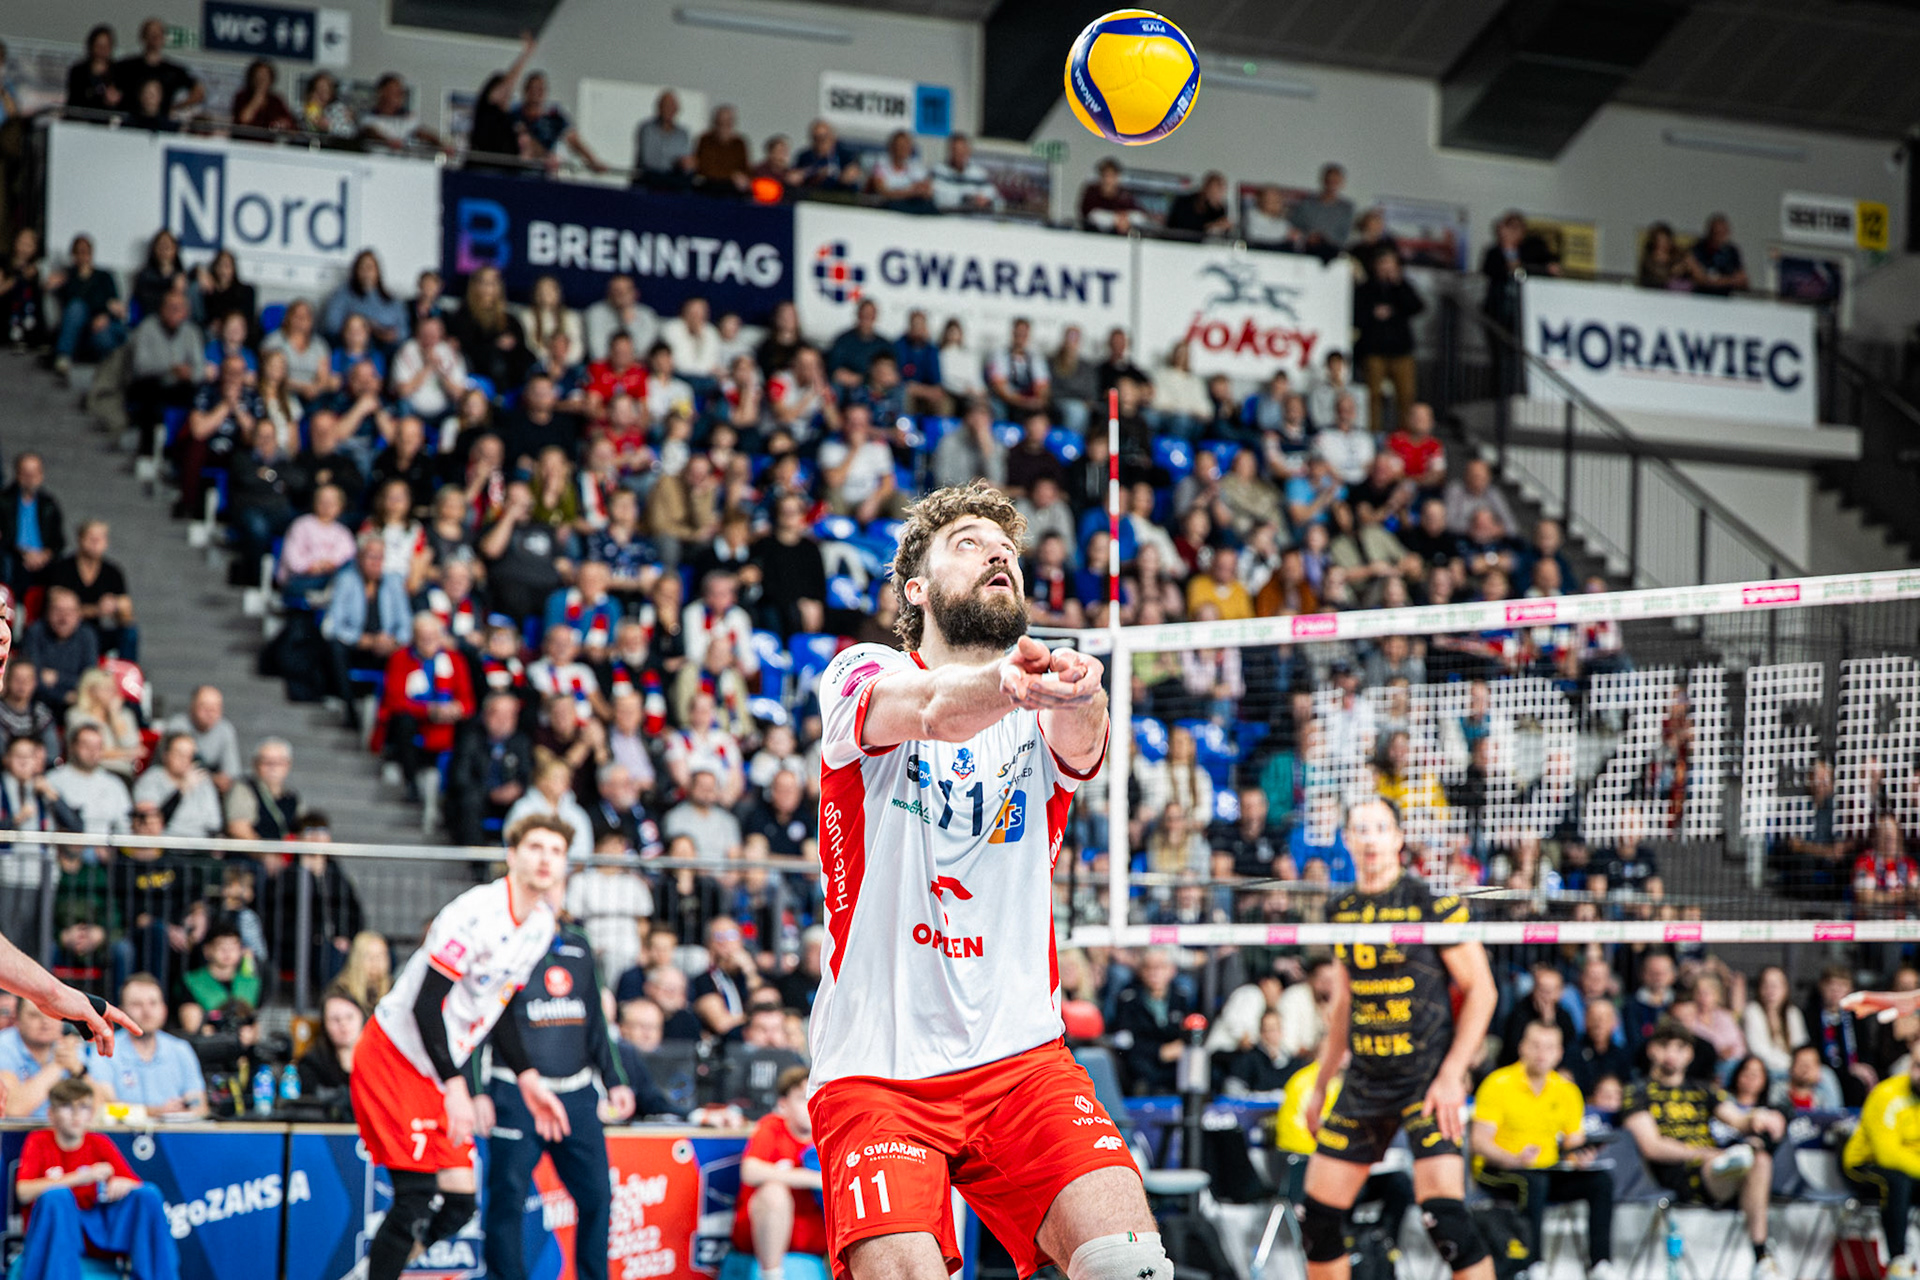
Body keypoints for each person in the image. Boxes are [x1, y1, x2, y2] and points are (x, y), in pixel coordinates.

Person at [808, 482, 1166, 1280]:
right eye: (968, 543)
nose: (999, 554)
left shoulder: (1038, 704)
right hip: (877, 1071)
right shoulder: (861, 671)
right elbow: (932, 706)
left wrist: (1081, 690)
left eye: (1006, 547)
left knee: (1131, 1264)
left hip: (1021, 1061)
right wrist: (1013, 683)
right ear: (917, 588)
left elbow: (1083, 738)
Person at [351, 815, 573, 1280]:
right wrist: (457, 1085)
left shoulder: (541, 925)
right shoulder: (473, 914)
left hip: (438, 1065)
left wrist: (529, 1079)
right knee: (415, 1197)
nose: (545, 859)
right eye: (535, 847)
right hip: (395, 1054)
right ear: (512, 856)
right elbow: (426, 1005)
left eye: (556, 851)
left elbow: (499, 1008)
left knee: (459, 1204)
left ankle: (374, 1272)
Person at [1301, 796, 1498, 1280]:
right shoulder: (1340, 909)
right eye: (1361, 829)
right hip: (1366, 1079)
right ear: (1347, 840)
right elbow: (1343, 1006)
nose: (1370, 838)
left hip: (1424, 1079)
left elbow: (1483, 990)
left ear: (1398, 838)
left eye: (1380, 828)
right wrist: (1322, 1084)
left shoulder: (1429, 903)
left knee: (1445, 1221)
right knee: (1318, 1220)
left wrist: (1451, 1075)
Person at [479, 918, 635, 1280]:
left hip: (576, 1093)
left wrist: (615, 1079)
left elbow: (596, 1019)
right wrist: (475, 1091)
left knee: (597, 1196)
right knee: (507, 1197)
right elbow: (482, 1018)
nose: (547, 896)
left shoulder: (578, 943)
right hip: (515, 1093)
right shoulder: (501, 941)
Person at [1621, 1020, 1784, 1276]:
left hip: (1716, 1170)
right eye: (1664, 1046)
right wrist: (1706, 1154)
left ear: (1689, 1054)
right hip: (1677, 1173)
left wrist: (1759, 1118)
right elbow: (1652, 1146)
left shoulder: (1701, 1089)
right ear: (1652, 1050)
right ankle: (1733, 1161)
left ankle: (1762, 1257)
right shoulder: (1637, 1092)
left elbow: (1738, 1119)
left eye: (1679, 1048)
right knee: (1735, 1159)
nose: (1671, 1054)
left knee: (1760, 1159)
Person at [1471, 1020, 1614, 1279]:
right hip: (1497, 1169)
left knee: (1601, 1181)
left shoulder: (1567, 1090)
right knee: (1533, 1183)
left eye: (1549, 1047)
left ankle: (1600, 1264)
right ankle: (1531, 1263)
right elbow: (1479, 1142)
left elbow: (1573, 1144)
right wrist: (1513, 1159)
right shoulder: (1498, 1083)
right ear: (1522, 1047)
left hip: (1548, 1169)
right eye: (1535, 1045)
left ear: (1559, 1053)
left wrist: (1582, 1156)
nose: (1541, 1053)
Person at [14, 1076, 177, 1280]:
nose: (76, 1115)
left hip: (97, 1229)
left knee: (148, 1194)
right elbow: (23, 1192)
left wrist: (123, 1184)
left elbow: (135, 1184)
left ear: (91, 1114)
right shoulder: (38, 1140)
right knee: (58, 1197)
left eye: (83, 1107)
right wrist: (81, 1177)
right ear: (51, 1114)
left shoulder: (99, 1142)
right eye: (67, 1107)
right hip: (56, 1231)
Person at [735, 1065, 828, 1280]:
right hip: (760, 1234)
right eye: (802, 1099)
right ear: (783, 1104)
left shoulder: (828, 1134)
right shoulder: (773, 1126)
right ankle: (771, 1275)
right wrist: (811, 1179)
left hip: (812, 1239)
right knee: (773, 1192)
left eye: (814, 1097)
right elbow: (750, 1171)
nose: (810, 1105)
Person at [1843, 1050, 1920, 1277]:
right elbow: (1887, 1154)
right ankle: (1898, 1261)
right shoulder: (1887, 1094)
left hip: (1910, 1167)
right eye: (1917, 1066)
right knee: (1897, 1182)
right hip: (1862, 1164)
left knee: (1903, 1179)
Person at [83, 974, 205, 1117]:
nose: (147, 1012)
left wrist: (187, 1108)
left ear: (164, 1009)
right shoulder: (105, 1048)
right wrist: (156, 1112)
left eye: (153, 1003)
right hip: (122, 1131)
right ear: (121, 1012)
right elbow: (104, 1106)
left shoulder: (181, 1049)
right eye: (137, 1004)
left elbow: (200, 1105)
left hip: (176, 1130)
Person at [111, 17, 203, 119]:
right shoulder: (127, 67)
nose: (155, 38)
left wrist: (176, 107)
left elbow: (199, 92)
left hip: (162, 123)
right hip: (131, 122)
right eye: (151, 34)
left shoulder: (173, 71)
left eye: (158, 34)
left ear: (163, 38)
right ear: (143, 37)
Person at [1690, 214, 1749, 296]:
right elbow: (1702, 279)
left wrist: (1721, 281)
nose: (1719, 237)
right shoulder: (1698, 249)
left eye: (1722, 233)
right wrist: (1730, 280)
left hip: (1726, 297)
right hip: (1702, 297)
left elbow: (1742, 279)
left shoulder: (1732, 251)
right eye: (1716, 233)